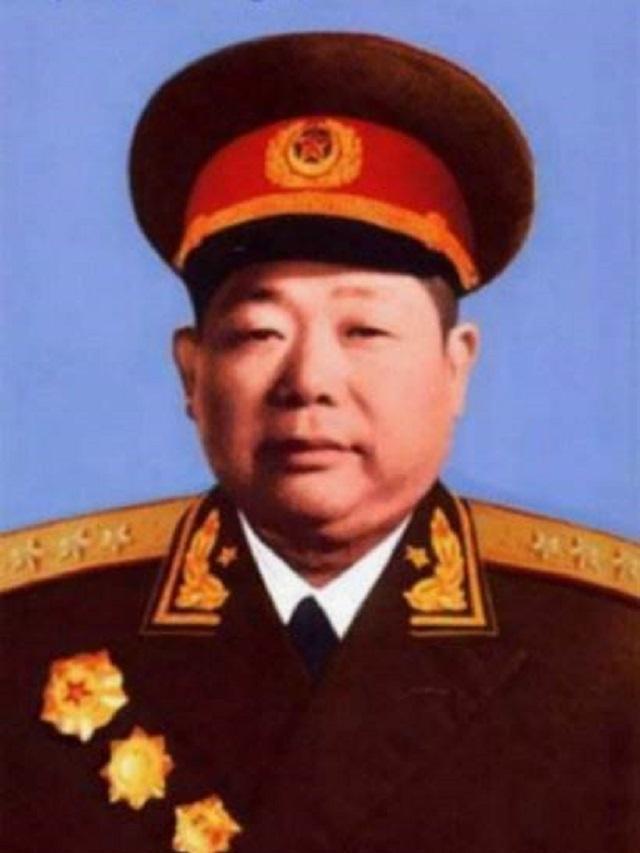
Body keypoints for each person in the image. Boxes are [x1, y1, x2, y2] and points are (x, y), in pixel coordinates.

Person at [1, 32, 638, 853]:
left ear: (456, 368)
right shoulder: (26, 632)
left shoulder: (608, 654)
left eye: (364, 329)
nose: (309, 380)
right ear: (192, 372)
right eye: (259, 332)